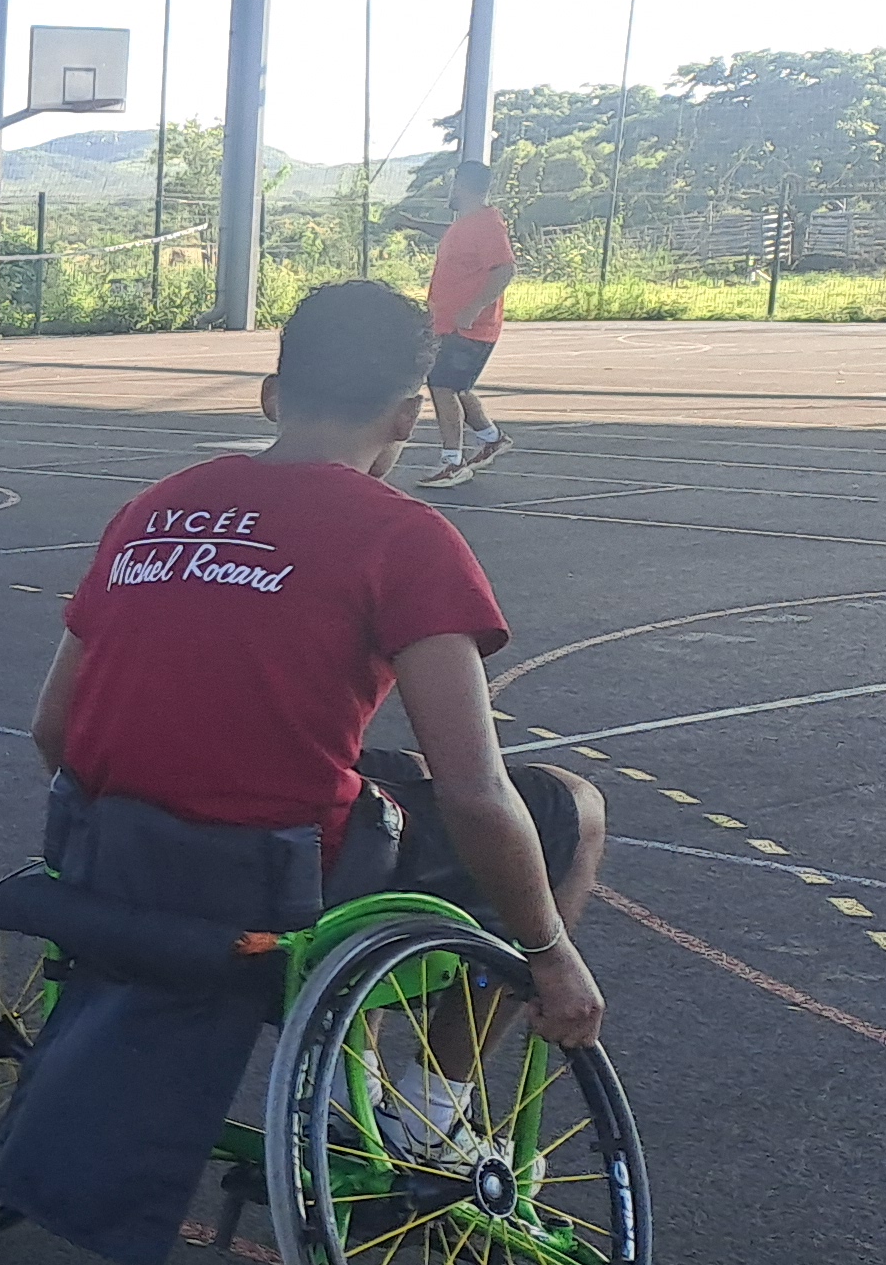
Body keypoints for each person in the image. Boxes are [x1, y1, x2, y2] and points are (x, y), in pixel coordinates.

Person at [30, 280, 606, 1163]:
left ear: (272, 395)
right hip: (282, 882)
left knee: (381, 776)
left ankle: (351, 1081)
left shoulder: (152, 509)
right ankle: (433, 1109)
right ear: (407, 417)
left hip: (114, 858)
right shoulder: (403, 538)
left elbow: (53, 730)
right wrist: (550, 953)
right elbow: (476, 791)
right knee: (565, 806)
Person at [413, 171, 519, 490]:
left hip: (470, 327)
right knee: (456, 387)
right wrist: (412, 223)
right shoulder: (466, 224)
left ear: (462, 187)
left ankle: (453, 462)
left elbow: (506, 269)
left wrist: (474, 308)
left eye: (453, 186)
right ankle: (491, 438)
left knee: (442, 386)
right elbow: (449, 234)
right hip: (449, 323)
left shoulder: (487, 224)